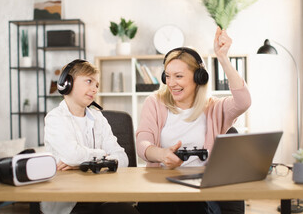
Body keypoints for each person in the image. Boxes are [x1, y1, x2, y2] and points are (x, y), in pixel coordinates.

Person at [135, 27, 251, 214]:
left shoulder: (215, 108)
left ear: (199, 77)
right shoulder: (155, 103)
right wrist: (160, 154)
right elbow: (142, 143)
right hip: (161, 190)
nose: (172, 83)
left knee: (190, 206)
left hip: (199, 193)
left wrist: (223, 58)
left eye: (179, 76)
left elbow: (244, 101)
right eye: (168, 76)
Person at [41, 59, 139, 214]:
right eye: (89, 81)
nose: (94, 89)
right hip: (70, 202)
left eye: (97, 85)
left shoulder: (99, 118)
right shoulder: (55, 118)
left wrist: (82, 164)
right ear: (67, 83)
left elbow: (123, 158)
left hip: (102, 195)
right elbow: (72, 155)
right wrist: (103, 156)